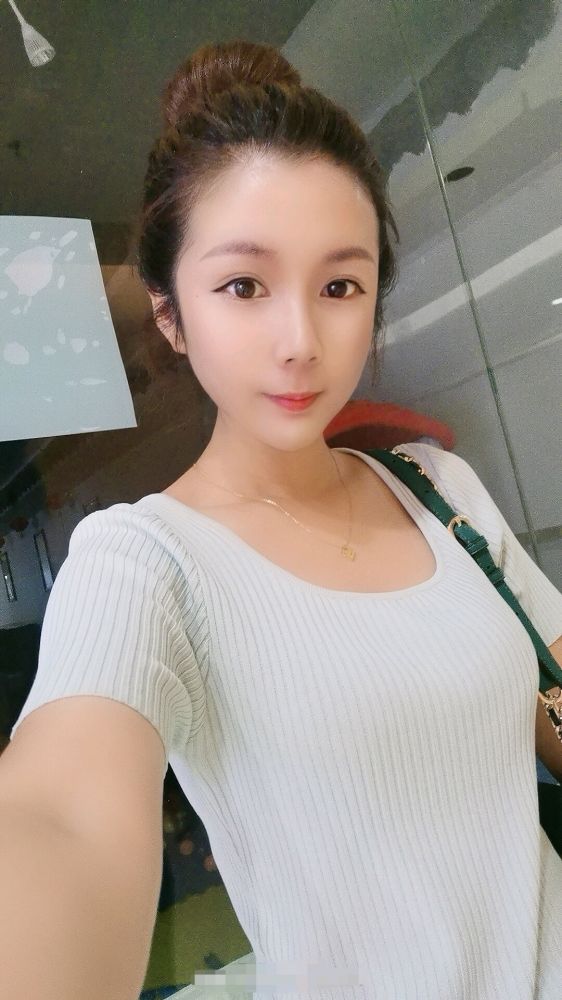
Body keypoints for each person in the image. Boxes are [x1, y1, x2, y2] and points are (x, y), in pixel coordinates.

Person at [2, 38, 562, 1000]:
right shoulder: (144, 562)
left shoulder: (438, 489)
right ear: (171, 316)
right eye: (243, 286)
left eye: (339, 286)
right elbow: (60, 815)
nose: (301, 341)